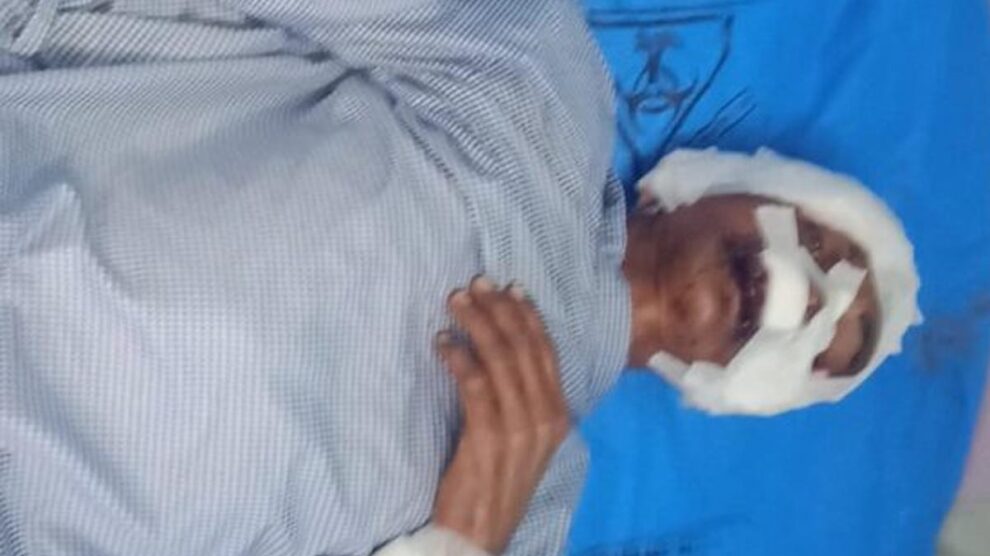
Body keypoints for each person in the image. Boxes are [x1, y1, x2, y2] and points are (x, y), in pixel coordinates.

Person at [0, 2, 919, 556]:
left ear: (740, 392)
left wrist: (458, 539)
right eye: (823, 247)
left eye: (825, 346)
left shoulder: (524, 519)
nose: (809, 298)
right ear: (709, 183)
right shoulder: (535, 90)